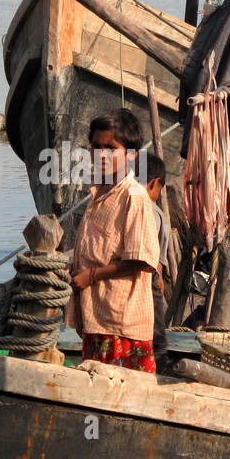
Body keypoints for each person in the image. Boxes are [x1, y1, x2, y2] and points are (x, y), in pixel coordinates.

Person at [66, 110, 162, 373]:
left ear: (130, 154)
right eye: (97, 147)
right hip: (96, 316)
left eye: (111, 148)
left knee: (125, 395)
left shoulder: (134, 196)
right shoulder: (98, 193)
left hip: (122, 323)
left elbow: (141, 261)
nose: (102, 155)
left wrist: (92, 275)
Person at [142, 152, 171, 369]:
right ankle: (158, 370)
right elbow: (158, 265)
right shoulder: (156, 213)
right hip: (148, 276)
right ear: (155, 184)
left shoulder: (124, 203)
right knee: (156, 338)